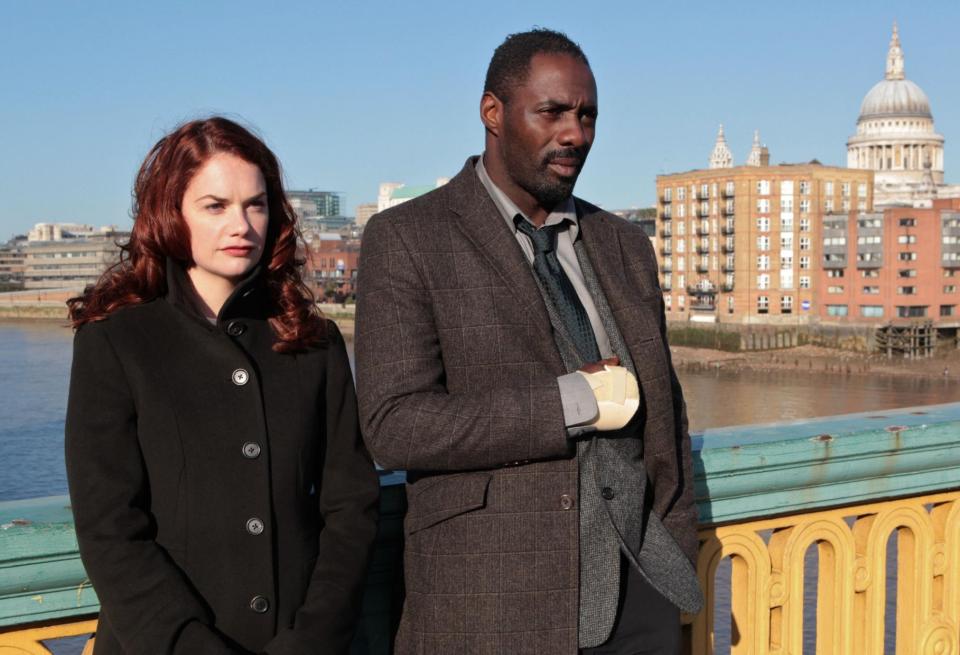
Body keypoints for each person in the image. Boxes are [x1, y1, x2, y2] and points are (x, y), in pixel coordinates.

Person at [355, 29, 702, 654]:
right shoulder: (406, 237)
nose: (575, 133)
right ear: (493, 113)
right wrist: (570, 402)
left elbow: (667, 419)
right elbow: (394, 423)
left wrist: (673, 555)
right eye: (552, 112)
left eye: (587, 114)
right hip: (492, 599)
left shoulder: (625, 245)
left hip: (641, 591)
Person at [65, 117, 380, 655]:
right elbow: (109, 527)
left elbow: (350, 504)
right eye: (215, 206)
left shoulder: (312, 340)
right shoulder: (116, 340)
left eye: (255, 204)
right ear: (171, 212)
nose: (242, 225)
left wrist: (313, 638)